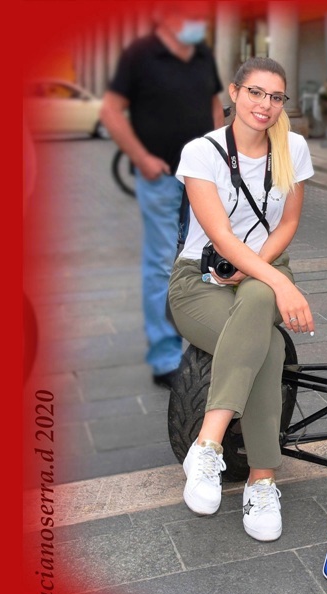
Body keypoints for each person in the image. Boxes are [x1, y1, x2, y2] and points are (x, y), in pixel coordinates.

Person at [166, 57, 314, 542]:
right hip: (198, 280)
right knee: (267, 347)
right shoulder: (200, 153)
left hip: (266, 268)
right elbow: (223, 239)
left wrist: (270, 275)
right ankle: (262, 479)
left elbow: (288, 224)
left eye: (275, 97)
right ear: (234, 92)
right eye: (255, 93)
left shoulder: (293, 148)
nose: (265, 105)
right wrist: (284, 286)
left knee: (254, 300)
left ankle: (207, 446)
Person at [100, 1, 225, 389]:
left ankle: (202, 335)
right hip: (161, 176)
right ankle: (164, 355)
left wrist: (221, 155)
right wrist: (141, 157)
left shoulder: (203, 54)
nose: (197, 22)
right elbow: (111, 110)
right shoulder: (140, 55)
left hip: (202, 176)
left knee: (204, 254)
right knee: (160, 262)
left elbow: (214, 105)